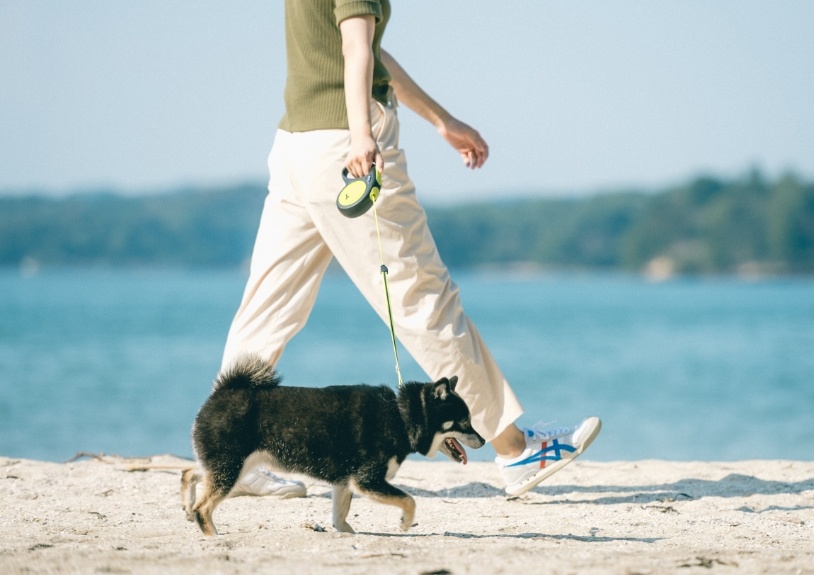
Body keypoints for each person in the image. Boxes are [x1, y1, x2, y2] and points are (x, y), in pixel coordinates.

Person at [223, 0, 601, 499]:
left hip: (296, 146)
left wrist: (440, 120)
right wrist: (361, 135)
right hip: (346, 147)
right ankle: (515, 449)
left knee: (269, 303)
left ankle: (233, 451)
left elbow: (366, 49)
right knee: (423, 300)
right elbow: (358, 49)